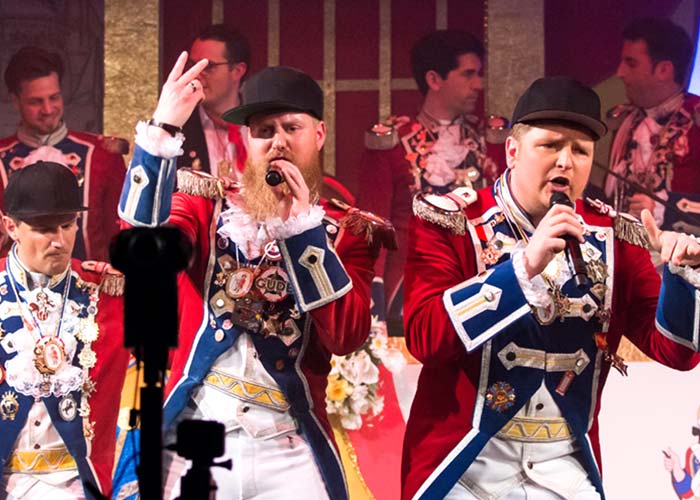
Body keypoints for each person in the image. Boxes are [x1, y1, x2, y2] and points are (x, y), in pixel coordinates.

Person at [402, 76, 700, 500]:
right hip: (465, 465)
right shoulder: (453, 222)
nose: (565, 162)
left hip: (565, 469)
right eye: (550, 145)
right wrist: (522, 268)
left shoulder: (615, 235)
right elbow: (424, 338)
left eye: (580, 150)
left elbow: (677, 352)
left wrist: (681, 275)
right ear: (512, 151)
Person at [118, 54, 393, 499]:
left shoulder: (348, 231)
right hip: (197, 435)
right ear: (247, 139)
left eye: (291, 127)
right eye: (264, 131)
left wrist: (303, 234)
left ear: (319, 134)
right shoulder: (206, 205)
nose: (277, 141)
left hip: (289, 442)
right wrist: (161, 134)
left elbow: (346, 336)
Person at [356, 29, 507, 336]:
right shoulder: (392, 143)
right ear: (434, 79)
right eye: (468, 74)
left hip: (486, 288)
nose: (478, 84)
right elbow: (373, 229)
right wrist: (373, 311)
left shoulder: (492, 141)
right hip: (410, 293)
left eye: (478, 74)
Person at [0, 161, 128, 499]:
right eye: (44, 229)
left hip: (78, 483)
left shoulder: (108, 291)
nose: (59, 241)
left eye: (67, 225)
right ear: (11, 227)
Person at [0, 46, 128, 262]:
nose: (48, 109)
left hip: (91, 281)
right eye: (36, 101)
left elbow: (119, 236)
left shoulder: (102, 154)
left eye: (54, 97)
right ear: (15, 100)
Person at [605, 17, 700, 234]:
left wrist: (664, 209)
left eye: (631, 63)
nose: (620, 72)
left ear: (664, 70)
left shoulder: (696, 122)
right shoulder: (624, 121)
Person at [177, 24, 250, 179]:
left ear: (237, 71)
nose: (196, 75)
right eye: (193, 65)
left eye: (208, 66)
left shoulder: (261, 125)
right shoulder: (179, 128)